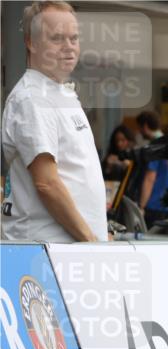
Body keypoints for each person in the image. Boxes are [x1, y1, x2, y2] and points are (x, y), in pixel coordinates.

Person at [1, 1, 106, 242]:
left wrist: (99, 233)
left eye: (74, 38)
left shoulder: (60, 92)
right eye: (57, 38)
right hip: (47, 253)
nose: (69, 47)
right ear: (31, 42)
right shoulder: (32, 99)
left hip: (71, 250)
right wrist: (91, 240)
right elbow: (47, 184)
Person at [136, 110, 168, 223]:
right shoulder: (166, 143)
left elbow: (150, 178)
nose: (139, 131)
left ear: (145, 126)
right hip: (166, 203)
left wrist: (141, 206)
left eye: (139, 128)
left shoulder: (154, 146)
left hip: (153, 205)